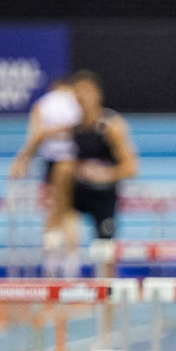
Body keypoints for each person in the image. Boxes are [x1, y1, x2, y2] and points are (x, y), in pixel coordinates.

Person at [8, 75, 83, 275]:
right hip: (72, 162)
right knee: (69, 212)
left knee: (53, 211)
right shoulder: (77, 101)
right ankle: (70, 264)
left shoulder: (42, 105)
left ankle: (51, 264)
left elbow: (35, 136)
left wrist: (23, 159)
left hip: (54, 162)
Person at [64, 71, 137, 250]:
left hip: (104, 194)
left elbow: (131, 168)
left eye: (86, 91)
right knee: (62, 174)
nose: (82, 97)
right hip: (78, 192)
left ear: (97, 94)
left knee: (104, 251)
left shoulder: (110, 126)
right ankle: (67, 261)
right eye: (77, 92)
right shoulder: (71, 126)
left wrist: (105, 175)